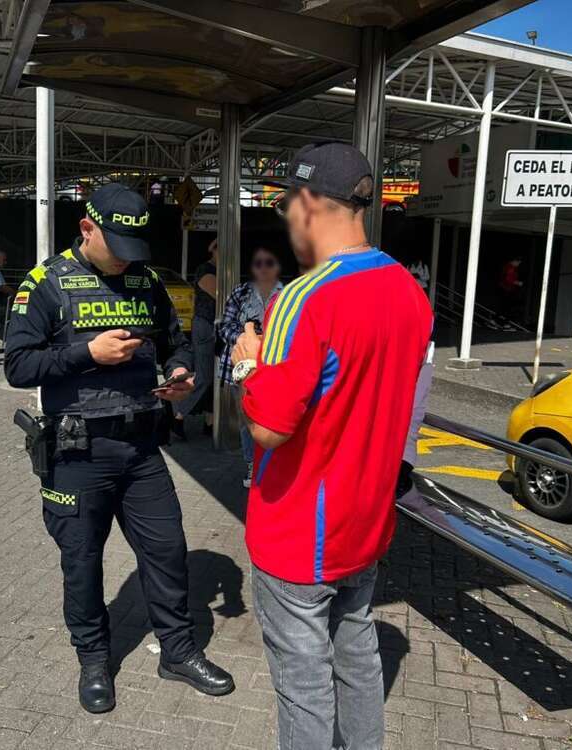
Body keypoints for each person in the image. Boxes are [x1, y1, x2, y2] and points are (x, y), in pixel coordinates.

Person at [230, 143, 433, 750]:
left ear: (311, 203)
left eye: (286, 204)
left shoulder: (303, 298)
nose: (287, 219)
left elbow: (269, 428)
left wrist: (247, 365)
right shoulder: (409, 291)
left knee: (304, 685)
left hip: (299, 531)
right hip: (365, 524)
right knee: (358, 655)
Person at [4, 183, 234, 715]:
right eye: (117, 248)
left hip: (143, 448)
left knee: (167, 551)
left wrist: (180, 371)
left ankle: (178, 652)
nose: (126, 260)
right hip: (77, 453)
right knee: (82, 563)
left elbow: (175, 342)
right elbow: (18, 365)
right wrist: (87, 353)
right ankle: (93, 660)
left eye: (134, 249)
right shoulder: (45, 283)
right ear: (87, 229)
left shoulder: (145, 281)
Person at [217, 247, 283, 487]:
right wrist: (247, 339)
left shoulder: (287, 294)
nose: (263, 268)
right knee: (248, 418)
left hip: (276, 366)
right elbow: (225, 326)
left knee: (275, 417)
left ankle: (274, 465)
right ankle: (252, 464)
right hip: (243, 365)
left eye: (269, 263)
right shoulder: (241, 292)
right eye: (258, 263)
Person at [173, 239, 217, 438]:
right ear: (213, 250)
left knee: (215, 377)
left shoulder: (220, 271)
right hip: (205, 325)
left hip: (216, 325)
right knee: (204, 376)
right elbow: (221, 295)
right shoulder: (205, 270)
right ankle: (177, 415)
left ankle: (210, 421)